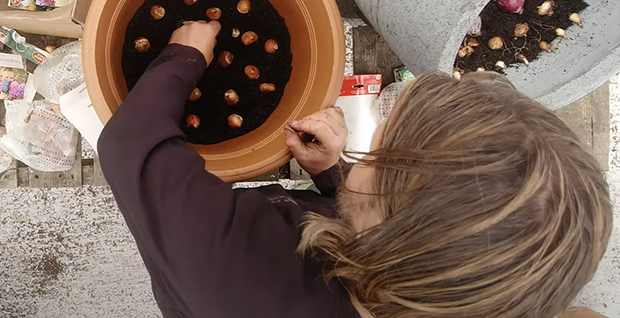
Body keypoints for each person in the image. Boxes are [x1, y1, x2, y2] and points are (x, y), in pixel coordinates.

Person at [97, 20, 612, 318]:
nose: (369, 151)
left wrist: (183, 57)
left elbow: (129, 146)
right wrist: (334, 178)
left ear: (384, 231)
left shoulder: (233, 267)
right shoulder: (411, 282)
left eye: (379, 158)